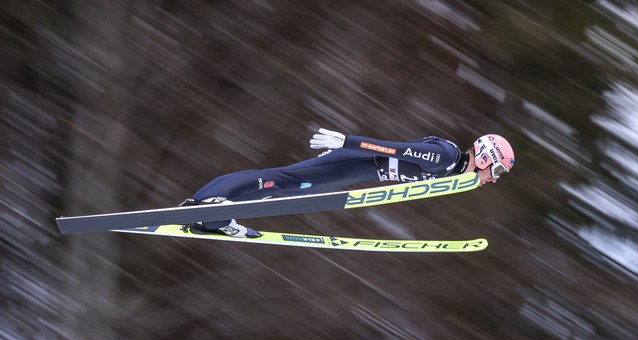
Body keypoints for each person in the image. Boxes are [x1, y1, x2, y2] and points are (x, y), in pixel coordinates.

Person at [180, 128, 515, 238]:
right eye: (496, 171)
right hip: (352, 162)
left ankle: (211, 212)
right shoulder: (445, 157)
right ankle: (209, 210)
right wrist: (347, 142)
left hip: (355, 171)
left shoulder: (454, 174)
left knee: (283, 183)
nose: (492, 180)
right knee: (284, 181)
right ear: (485, 157)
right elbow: (392, 149)